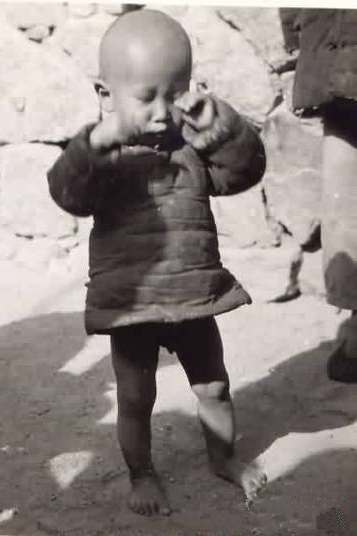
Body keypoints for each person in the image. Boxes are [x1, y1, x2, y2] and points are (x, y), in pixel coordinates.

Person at [46, 9, 267, 515]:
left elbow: (243, 173)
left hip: (194, 299)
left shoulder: (191, 148)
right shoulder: (104, 158)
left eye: (177, 93)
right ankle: (142, 474)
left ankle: (223, 458)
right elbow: (67, 194)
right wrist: (93, 146)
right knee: (135, 399)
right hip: (134, 308)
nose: (164, 112)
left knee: (214, 386)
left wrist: (221, 127)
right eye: (147, 97)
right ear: (106, 95)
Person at [279, 8, 357, 383]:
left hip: (334, 48)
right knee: (345, 189)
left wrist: (297, 34)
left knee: (346, 189)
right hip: (337, 48)